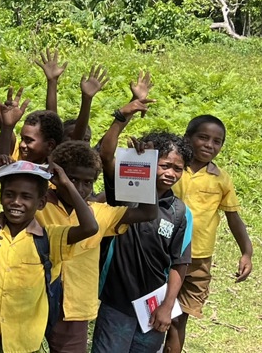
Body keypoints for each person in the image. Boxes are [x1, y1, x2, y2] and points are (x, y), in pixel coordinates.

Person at [0, 157, 100, 353]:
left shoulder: (50, 238)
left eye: (26, 197)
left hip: (25, 342)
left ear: (41, 203)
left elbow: (90, 227)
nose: (16, 202)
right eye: (9, 194)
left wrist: (65, 183)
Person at [91, 73, 192, 353]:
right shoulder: (126, 194)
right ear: (150, 161)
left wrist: (167, 306)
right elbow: (106, 156)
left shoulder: (179, 212)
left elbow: (179, 263)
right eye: (164, 165)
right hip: (116, 302)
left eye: (177, 168)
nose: (170, 173)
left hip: (153, 309)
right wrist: (122, 116)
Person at [36, 141, 157, 353]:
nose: (80, 188)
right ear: (58, 176)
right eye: (73, 179)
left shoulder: (100, 212)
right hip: (34, 299)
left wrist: (146, 166)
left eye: (88, 182)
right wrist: (62, 184)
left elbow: (148, 213)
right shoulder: (38, 205)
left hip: (75, 307)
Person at [166, 115, 254, 353]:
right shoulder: (172, 168)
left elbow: (233, 218)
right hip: (162, 252)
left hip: (198, 258)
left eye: (217, 141)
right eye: (203, 138)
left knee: (178, 319)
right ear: (188, 138)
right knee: (154, 313)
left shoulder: (221, 179)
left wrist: (247, 251)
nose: (209, 145)